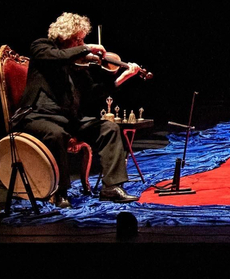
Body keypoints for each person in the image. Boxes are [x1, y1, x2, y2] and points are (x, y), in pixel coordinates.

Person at [13, 12, 142, 206]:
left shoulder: (78, 65)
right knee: (56, 134)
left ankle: (111, 187)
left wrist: (120, 80)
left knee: (109, 128)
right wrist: (86, 48)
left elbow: (91, 93)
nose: (81, 44)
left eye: (83, 40)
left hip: (68, 119)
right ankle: (61, 192)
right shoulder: (42, 47)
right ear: (65, 35)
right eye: (78, 39)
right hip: (38, 117)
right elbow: (58, 56)